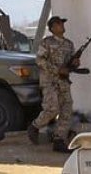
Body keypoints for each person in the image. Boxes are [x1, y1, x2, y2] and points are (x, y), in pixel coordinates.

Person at [27, 16, 77, 152]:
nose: (62, 26)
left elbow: (71, 62)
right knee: (52, 109)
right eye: (59, 24)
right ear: (53, 28)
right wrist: (57, 70)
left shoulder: (69, 44)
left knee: (67, 110)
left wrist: (74, 63)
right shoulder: (46, 43)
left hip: (64, 82)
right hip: (49, 81)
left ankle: (59, 140)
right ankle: (35, 126)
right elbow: (40, 61)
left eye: (62, 23)